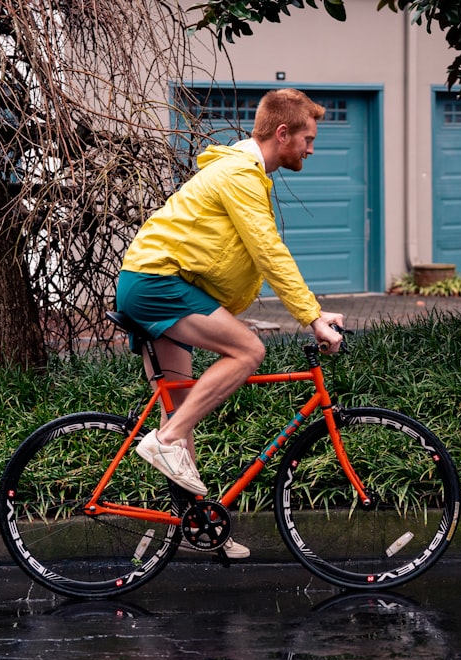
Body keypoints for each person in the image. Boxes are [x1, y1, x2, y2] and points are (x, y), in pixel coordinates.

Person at [115, 88, 344, 559]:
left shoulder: (246, 174)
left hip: (154, 281)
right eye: (308, 138)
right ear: (282, 134)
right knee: (248, 351)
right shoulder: (240, 174)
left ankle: (199, 529)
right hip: (155, 283)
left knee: (180, 406)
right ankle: (166, 440)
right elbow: (268, 250)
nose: (311, 149)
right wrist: (312, 316)